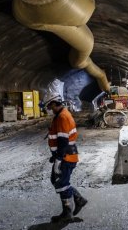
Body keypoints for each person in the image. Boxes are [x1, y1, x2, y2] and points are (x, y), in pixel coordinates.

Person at [44, 92, 88, 222]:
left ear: (54, 103)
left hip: (66, 156)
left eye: (50, 106)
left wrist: (58, 159)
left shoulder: (63, 117)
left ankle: (68, 213)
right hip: (64, 155)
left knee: (61, 183)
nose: (50, 109)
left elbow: (63, 141)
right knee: (57, 181)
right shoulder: (59, 116)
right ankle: (79, 200)